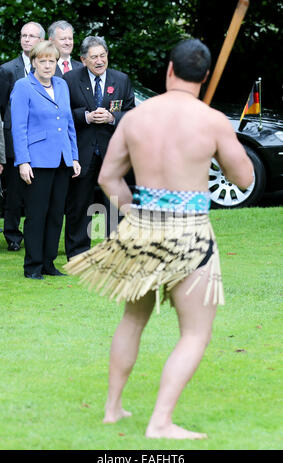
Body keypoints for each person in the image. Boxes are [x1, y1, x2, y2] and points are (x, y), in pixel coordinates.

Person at [65, 38, 254, 439]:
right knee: (195, 332)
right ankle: (160, 422)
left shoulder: (136, 117)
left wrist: (133, 212)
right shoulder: (212, 120)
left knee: (133, 319)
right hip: (190, 232)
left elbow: (107, 178)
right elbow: (244, 179)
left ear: (169, 70)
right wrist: (219, 147)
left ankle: (113, 409)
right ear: (203, 78)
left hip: (143, 228)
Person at [11, 41, 81, 280]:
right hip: (36, 162)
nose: (48, 65)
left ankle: (49, 264)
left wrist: (74, 156)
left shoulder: (61, 85)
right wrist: (23, 161)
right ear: (33, 63)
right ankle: (33, 266)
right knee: (36, 215)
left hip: (62, 161)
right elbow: (18, 128)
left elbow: (69, 123)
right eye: (43, 61)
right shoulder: (23, 86)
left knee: (55, 214)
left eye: (52, 61)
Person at [63, 35, 135, 260]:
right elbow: (62, 114)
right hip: (82, 152)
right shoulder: (70, 79)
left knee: (114, 202)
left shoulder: (121, 79)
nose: (99, 61)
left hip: (113, 153)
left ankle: (115, 251)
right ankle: (78, 252)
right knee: (79, 204)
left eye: (102, 56)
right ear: (83, 59)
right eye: (93, 57)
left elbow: (132, 115)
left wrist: (112, 117)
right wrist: (86, 116)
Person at [0, 21, 45, 251]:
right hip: (13, 140)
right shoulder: (8, 69)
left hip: (39, 139)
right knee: (14, 193)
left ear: (41, 40)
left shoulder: (49, 68)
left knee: (36, 191)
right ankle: (12, 236)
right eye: (23, 35)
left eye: (32, 36)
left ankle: (34, 234)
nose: (26, 39)